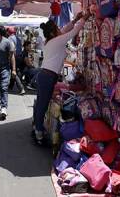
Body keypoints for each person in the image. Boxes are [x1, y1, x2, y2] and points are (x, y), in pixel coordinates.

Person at [33, 12, 87, 145]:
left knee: (42, 103)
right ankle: (38, 133)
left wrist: (76, 19)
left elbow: (65, 29)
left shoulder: (52, 40)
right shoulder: (57, 41)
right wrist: (84, 19)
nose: (59, 29)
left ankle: (37, 127)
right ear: (53, 32)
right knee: (42, 105)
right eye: (57, 28)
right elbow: (72, 32)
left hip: (46, 76)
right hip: (47, 77)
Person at [7, 27, 25, 95]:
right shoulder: (18, 38)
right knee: (15, 71)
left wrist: (10, 58)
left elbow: (12, 49)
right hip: (20, 56)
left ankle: (21, 88)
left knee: (14, 72)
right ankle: (11, 86)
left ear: (8, 32)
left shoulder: (10, 39)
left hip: (15, 57)